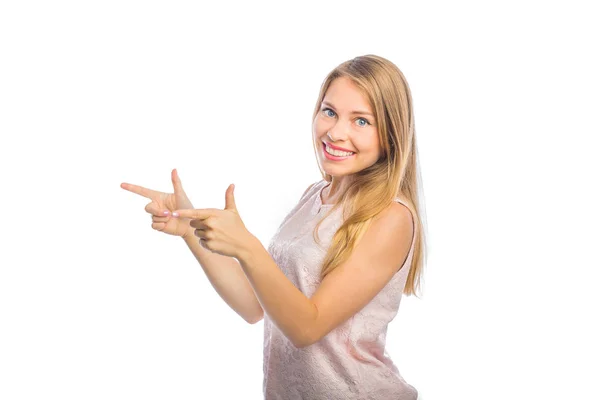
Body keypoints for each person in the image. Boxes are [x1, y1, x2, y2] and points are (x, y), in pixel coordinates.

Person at [121, 54, 426, 400]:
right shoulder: (315, 195)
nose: (336, 132)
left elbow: (306, 327)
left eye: (361, 121)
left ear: (391, 134)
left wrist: (247, 245)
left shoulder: (390, 217)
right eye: (329, 112)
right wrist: (190, 225)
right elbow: (257, 305)